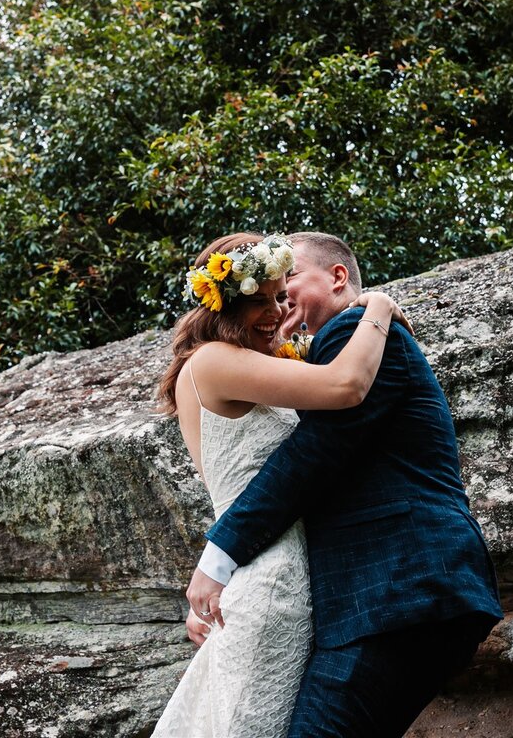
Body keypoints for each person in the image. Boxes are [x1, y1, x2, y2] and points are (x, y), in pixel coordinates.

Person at [186, 231, 504, 737]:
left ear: (338, 278)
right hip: (382, 593)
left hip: (396, 587)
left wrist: (219, 555)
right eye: (270, 290)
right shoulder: (329, 349)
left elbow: (315, 454)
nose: (283, 298)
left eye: (290, 281)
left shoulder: (355, 331)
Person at [153, 232, 410, 738]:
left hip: (276, 575)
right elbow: (345, 386)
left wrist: (278, 332)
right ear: (225, 302)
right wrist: (375, 306)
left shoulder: (252, 366)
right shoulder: (213, 362)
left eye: (281, 297)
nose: (278, 309)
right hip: (273, 582)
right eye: (262, 300)